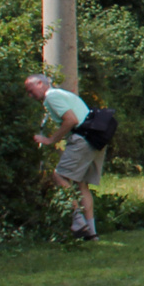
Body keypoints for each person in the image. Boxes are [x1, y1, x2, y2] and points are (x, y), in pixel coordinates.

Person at [26, 75, 104, 240]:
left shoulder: (52, 96)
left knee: (59, 175)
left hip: (82, 139)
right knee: (81, 184)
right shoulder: (62, 94)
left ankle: (78, 221)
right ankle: (92, 233)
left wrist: (51, 140)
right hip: (93, 138)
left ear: (40, 84)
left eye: (31, 91)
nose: (30, 95)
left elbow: (70, 120)